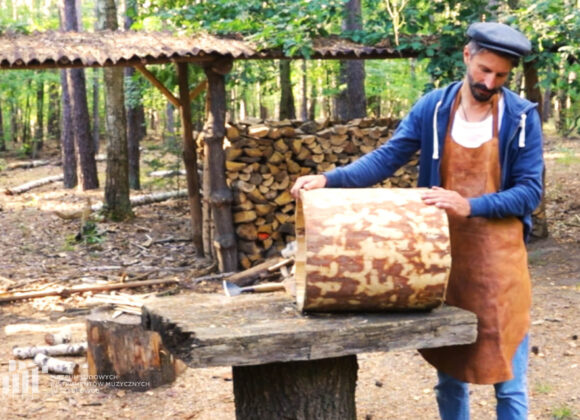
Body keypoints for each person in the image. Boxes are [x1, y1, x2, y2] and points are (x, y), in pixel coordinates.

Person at [290, 22, 544, 420]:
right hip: (441, 262)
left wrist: (471, 205)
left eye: (500, 75)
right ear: (467, 55)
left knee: (508, 385)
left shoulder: (522, 117)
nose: (489, 81)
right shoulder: (434, 108)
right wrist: (329, 178)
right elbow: (387, 157)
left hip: (500, 267)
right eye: (483, 69)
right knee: (450, 378)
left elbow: (530, 192)